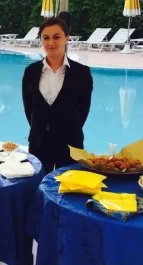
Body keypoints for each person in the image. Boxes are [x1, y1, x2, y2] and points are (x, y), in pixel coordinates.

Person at [22, 16, 93, 173]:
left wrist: (68, 127)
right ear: (41, 40)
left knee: (68, 185)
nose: (51, 42)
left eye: (56, 37)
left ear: (67, 38)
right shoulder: (31, 72)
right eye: (46, 38)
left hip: (70, 143)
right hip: (39, 142)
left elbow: (84, 109)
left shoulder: (82, 73)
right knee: (39, 183)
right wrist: (39, 128)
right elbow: (28, 107)